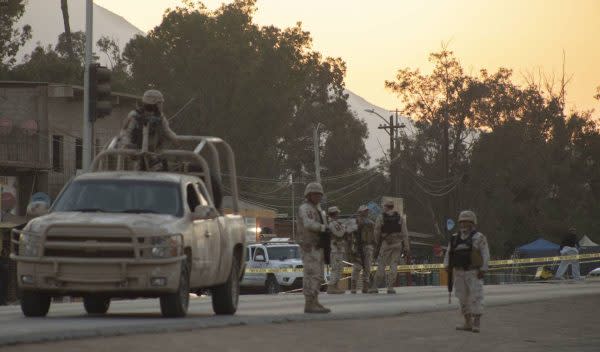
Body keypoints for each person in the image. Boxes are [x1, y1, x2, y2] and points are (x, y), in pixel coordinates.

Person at [444, 210, 490, 333]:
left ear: (472, 223)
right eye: (462, 222)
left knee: (476, 296)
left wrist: (483, 269)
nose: (463, 224)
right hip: (458, 272)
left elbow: (485, 254)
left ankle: (476, 322)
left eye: (467, 222)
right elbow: (449, 253)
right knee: (462, 297)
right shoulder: (454, 238)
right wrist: (447, 266)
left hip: (473, 272)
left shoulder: (479, 237)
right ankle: (467, 322)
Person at [118, 89, 179, 170]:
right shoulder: (135, 116)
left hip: (154, 154)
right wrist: (128, 146)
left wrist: (177, 141)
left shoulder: (160, 117)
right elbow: (125, 132)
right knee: (140, 175)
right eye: (160, 103)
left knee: (161, 172)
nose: (161, 105)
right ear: (153, 104)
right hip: (138, 154)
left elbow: (168, 131)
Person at [298, 182, 331, 313]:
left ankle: (315, 300)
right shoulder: (305, 208)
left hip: (319, 245)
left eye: (319, 194)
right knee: (311, 273)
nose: (318, 196)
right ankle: (309, 302)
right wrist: (323, 227)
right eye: (315, 194)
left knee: (318, 275)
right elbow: (308, 223)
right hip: (309, 246)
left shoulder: (319, 209)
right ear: (309, 195)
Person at [371, 199, 410, 294]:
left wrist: (376, 244)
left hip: (386, 244)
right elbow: (405, 233)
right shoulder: (399, 217)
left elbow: (376, 232)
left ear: (385, 207)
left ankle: (375, 286)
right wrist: (406, 246)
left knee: (381, 265)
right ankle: (390, 287)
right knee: (394, 265)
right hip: (398, 244)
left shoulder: (381, 217)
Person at [350, 205, 377, 294]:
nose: (366, 212)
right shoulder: (355, 221)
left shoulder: (371, 222)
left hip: (368, 245)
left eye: (366, 211)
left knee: (367, 267)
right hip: (358, 246)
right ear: (360, 212)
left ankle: (365, 286)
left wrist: (375, 245)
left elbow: (374, 236)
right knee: (357, 267)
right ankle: (353, 286)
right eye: (364, 211)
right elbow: (351, 234)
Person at [326, 206, 346, 294]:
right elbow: (340, 233)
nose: (339, 215)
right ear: (335, 214)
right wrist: (344, 227)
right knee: (335, 268)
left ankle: (336, 286)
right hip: (335, 250)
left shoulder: (335, 223)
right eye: (337, 213)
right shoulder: (333, 224)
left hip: (338, 249)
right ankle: (331, 287)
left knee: (339, 269)